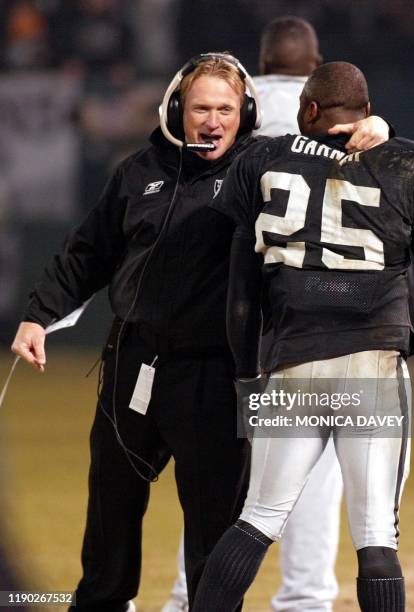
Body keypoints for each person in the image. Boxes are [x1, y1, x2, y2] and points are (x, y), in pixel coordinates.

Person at [11, 53, 390, 612]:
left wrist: (373, 130)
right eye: (201, 108)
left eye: (225, 109)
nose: (212, 120)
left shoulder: (264, 169)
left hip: (216, 374)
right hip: (133, 362)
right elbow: (87, 252)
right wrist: (37, 315)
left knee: (214, 524)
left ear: (246, 114)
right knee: (110, 509)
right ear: (175, 110)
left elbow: (333, 162)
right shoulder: (137, 171)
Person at [191, 61, 414, 612]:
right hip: (371, 363)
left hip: (290, 362)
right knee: (376, 536)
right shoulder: (412, 165)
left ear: (308, 110)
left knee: (256, 519)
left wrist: (245, 376)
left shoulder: (259, 161)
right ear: (368, 113)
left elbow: (240, 295)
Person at [161, 19, 391, 612]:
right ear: (313, 65)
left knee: (226, 485)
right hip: (318, 320)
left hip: (231, 317)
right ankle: (306, 597)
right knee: (316, 480)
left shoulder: (242, 105)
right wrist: (379, 125)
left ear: (261, 60)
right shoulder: (350, 124)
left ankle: (191, 597)